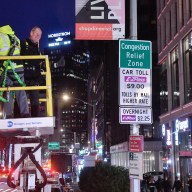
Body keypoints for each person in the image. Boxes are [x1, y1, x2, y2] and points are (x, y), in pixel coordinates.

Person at [0, 25, 30, 118]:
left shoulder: (0, 36)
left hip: (6, 67)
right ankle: (25, 114)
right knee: (20, 90)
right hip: (18, 66)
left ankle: (8, 115)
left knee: (7, 91)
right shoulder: (15, 37)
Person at [20, 26, 42, 117]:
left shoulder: (38, 48)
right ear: (31, 33)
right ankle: (19, 118)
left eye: (40, 35)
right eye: (37, 34)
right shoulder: (23, 43)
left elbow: (39, 62)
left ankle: (35, 119)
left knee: (35, 99)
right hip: (24, 76)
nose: (38, 37)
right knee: (21, 98)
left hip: (35, 77)